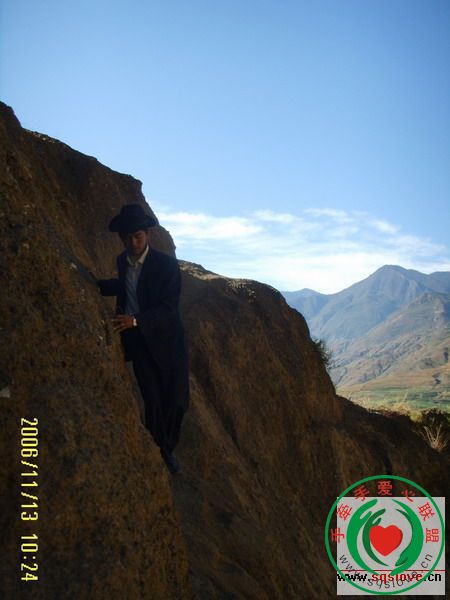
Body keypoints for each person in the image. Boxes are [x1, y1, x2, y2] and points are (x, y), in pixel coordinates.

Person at [97, 203, 189, 474]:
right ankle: (161, 452)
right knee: (152, 399)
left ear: (147, 235)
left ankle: (167, 446)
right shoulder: (122, 262)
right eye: (128, 237)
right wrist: (96, 284)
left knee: (177, 402)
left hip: (169, 343)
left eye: (137, 236)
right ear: (121, 238)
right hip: (139, 343)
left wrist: (135, 319)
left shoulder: (166, 266)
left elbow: (168, 308)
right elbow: (127, 286)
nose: (133, 242)